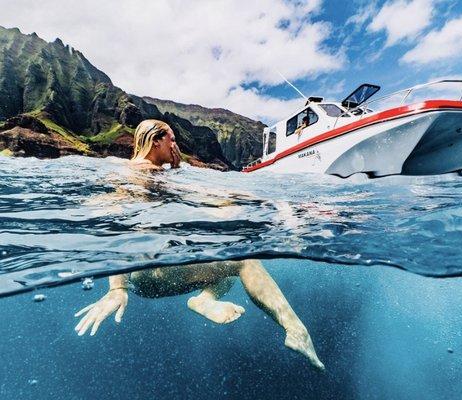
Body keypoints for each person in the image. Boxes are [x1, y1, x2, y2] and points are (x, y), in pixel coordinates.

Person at [74, 119, 324, 370]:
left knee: (223, 259)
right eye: (171, 139)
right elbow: (118, 229)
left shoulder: (150, 172)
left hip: (151, 274)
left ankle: (204, 300)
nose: (176, 145)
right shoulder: (147, 172)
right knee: (243, 260)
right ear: (155, 140)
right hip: (152, 272)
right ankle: (296, 331)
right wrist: (117, 288)